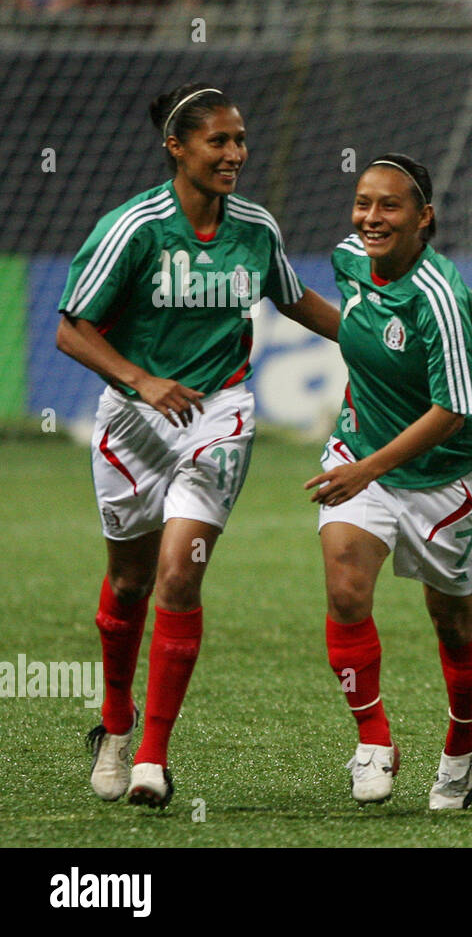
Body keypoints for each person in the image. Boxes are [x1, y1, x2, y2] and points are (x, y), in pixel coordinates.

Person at [56, 82, 340, 807]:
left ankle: (152, 755)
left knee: (180, 575)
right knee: (129, 581)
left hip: (220, 412)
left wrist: (375, 342)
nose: (235, 154)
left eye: (240, 140)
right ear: (176, 147)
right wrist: (140, 379)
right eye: (219, 141)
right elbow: (71, 327)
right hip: (132, 419)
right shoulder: (135, 228)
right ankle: (114, 725)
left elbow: (295, 299)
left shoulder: (255, 226)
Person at [305, 154, 472, 810]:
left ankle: (463, 742)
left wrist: (368, 468)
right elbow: (324, 311)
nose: (371, 218)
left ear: (423, 217)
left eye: (388, 206)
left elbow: (453, 412)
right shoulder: (348, 258)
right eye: (363, 203)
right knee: (347, 587)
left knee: (454, 620)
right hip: (360, 456)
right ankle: (374, 739)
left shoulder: (439, 295)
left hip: (444, 481)